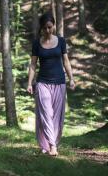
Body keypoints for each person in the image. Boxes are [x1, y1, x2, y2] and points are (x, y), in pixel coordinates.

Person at [27, 12, 75, 156]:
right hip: (42, 83)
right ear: (41, 28)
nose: (47, 31)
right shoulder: (37, 43)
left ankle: (47, 145)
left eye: (49, 27)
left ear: (53, 25)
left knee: (56, 117)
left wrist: (71, 78)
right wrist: (30, 83)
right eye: (44, 28)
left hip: (60, 83)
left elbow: (66, 61)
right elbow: (33, 65)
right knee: (46, 114)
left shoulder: (61, 41)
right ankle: (52, 146)